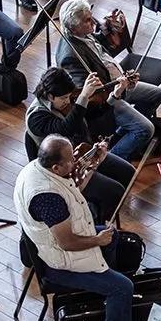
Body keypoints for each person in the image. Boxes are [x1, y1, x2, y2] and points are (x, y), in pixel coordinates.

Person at [13, 136, 137, 321]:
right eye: (71, 160)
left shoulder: (36, 168)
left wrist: (95, 163)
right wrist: (97, 241)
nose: (75, 162)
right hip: (59, 262)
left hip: (52, 244)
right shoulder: (47, 198)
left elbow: (72, 186)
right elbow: (67, 243)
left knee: (114, 236)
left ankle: (106, 294)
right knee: (123, 287)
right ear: (56, 166)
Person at [55, 0, 161, 156]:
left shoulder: (83, 33)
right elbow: (91, 96)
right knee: (146, 129)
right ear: (73, 27)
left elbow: (96, 48)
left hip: (118, 84)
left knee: (157, 94)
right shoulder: (70, 57)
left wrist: (108, 32)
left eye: (91, 17)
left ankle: (119, 135)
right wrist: (118, 89)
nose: (93, 23)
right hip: (107, 99)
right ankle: (110, 159)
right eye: (87, 20)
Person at [26, 69, 135, 220]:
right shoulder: (36, 117)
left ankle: (99, 213)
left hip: (83, 155)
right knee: (114, 192)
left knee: (127, 171)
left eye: (69, 97)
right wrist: (83, 96)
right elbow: (66, 129)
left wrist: (115, 95)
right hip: (64, 171)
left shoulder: (63, 103)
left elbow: (87, 115)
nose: (68, 101)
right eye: (64, 98)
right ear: (50, 96)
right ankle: (94, 225)